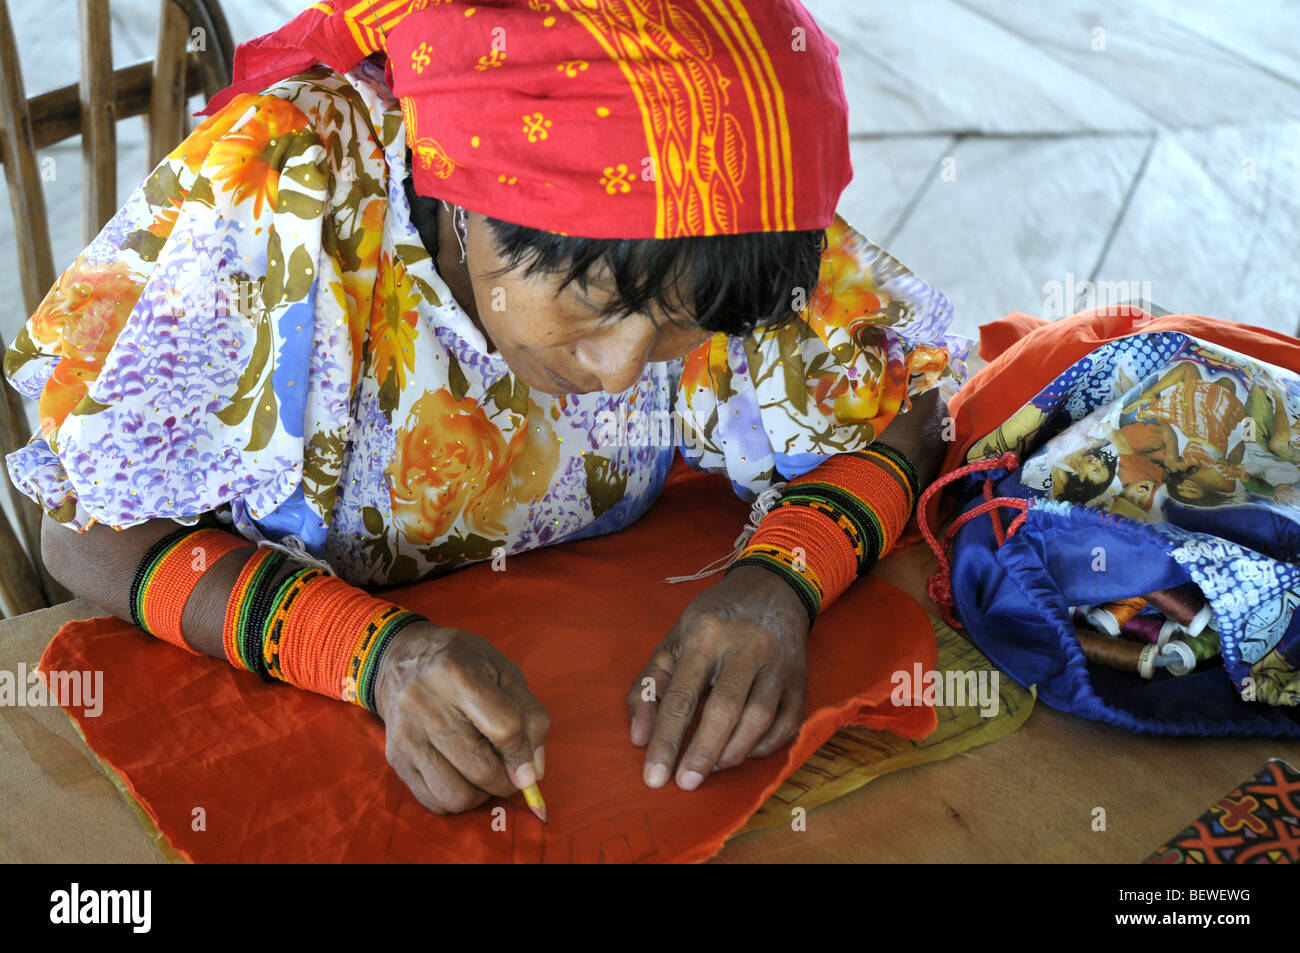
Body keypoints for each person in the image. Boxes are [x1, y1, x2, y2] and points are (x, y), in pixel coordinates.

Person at [3, 0, 968, 816]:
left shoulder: (713, 208)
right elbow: (82, 535)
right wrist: (369, 652)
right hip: (296, 730)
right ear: (465, 194)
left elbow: (906, 396)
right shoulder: (286, 198)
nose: (626, 367)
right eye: (599, 306)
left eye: (684, 330)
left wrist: (784, 576)